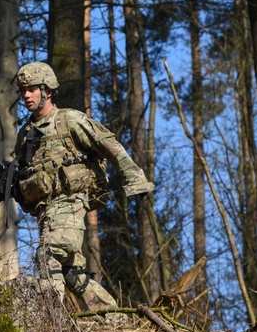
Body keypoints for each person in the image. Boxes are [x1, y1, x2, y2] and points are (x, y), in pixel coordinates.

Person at [12, 62, 154, 312]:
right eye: (23, 90)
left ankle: (51, 321)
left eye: (32, 89)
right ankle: (115, 320)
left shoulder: (70, 120)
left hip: (72, 199)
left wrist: (135, 178)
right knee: (70, 273)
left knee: (49, 254)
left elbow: (108, 145)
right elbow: (23, 173)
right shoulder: (25, 134)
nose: (26, 95)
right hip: (46, 210)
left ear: (48, 90)